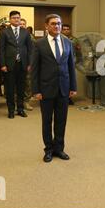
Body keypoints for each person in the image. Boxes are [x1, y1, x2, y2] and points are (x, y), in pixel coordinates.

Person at [31, 14, 77, 163]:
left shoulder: (68, 43)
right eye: (53, 24)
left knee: (61, 121)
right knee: (47, 121)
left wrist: (73, 87)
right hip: (46, 89)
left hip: (63, 88)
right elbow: (35, 70)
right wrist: (36, 91)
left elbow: (71, 67)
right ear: (46, 26)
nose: (56, 26)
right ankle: (48, 150)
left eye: (59, 23)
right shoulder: (39, 44)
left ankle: (59, 148)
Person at [0, 10, 33, 119]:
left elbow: (30, 49)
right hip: (9, 65)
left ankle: (20, 109)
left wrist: (29, 63)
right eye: (14, 18)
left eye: (18, 18)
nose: (16, 19)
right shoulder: (4, 32)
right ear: (10, 19)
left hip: (22, 64)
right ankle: (11, 110)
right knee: (10, 89)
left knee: (21, 89)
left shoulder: (25, 32)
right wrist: (2, 64)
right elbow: (1, 49)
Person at [61, 24, 81, 105]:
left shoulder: (75, 40)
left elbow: (78, 52)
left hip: (72, 63)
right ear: (62, 30)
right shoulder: (59, 38)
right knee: (63, 81)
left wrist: (77, 61)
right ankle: (63, 97)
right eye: (64, 29)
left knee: (71, 80)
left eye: (67, 29)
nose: (66, 31)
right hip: (62, 63)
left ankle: (69, 98)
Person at [19, 18, 33, 112]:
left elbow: (32, 51)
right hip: (17, 63)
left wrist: (30, 63)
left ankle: (26, 101)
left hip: (27, 63)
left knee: (28, 83)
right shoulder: (14, 35)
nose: (22, 25)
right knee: (18, 84)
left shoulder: (30, 36)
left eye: (24, 24)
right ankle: (18, 102)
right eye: (21, 24)